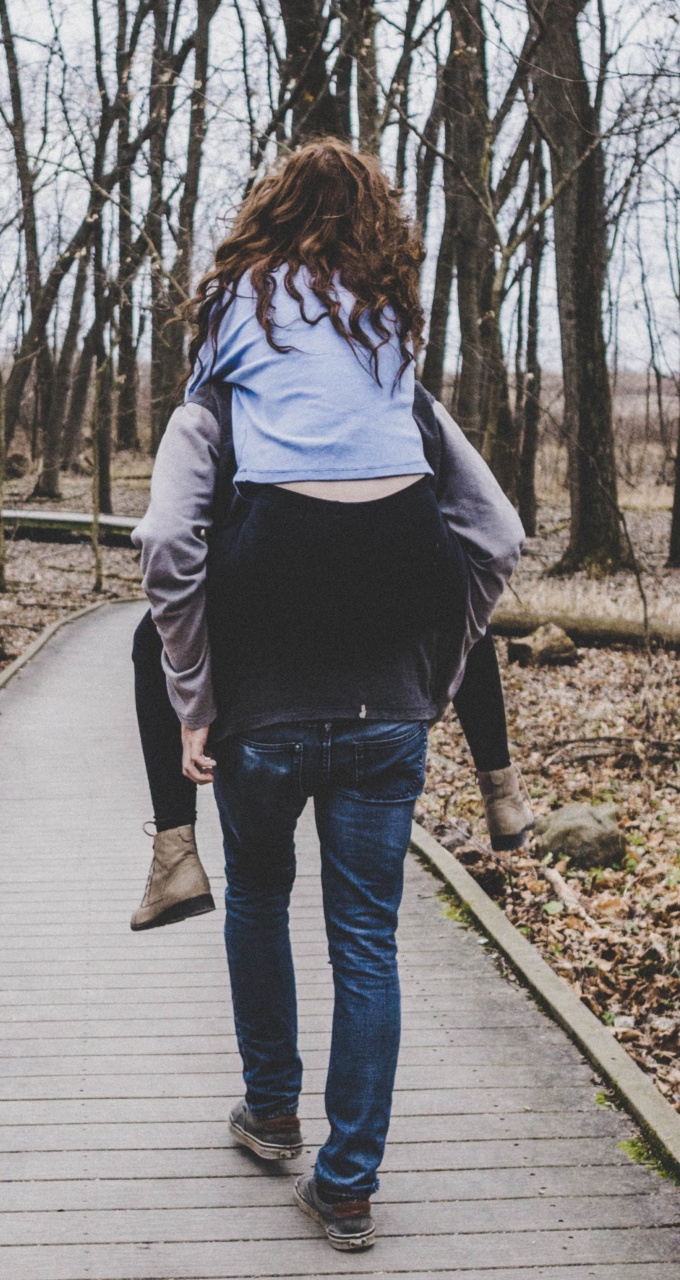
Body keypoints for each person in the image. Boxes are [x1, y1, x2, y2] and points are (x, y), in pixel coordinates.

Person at [130, 139, 530, 1251]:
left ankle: (270, 1113)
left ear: (263, 222)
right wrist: (434, 678)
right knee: (368, 938)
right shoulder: (395, 348)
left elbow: (168, 535)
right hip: (385, 714)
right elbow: (496, 533)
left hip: (258, 714)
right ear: (377, 236)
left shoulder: (224, 348)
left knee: (258, 896)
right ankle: (348, 1183)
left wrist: (194, 699)